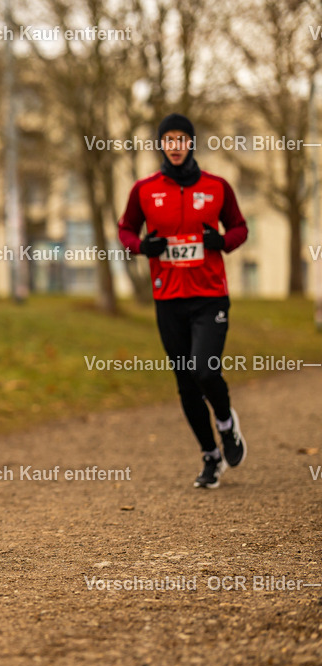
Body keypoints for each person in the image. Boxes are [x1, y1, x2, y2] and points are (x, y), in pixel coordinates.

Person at [118, 113, 249, 489]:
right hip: (168, 299)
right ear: (162, 145)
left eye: (182, 139)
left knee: (205, 370)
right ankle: (210, 456)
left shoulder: (217, 187)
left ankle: (226, 425)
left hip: (210, 297)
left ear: (191, 143)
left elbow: (239, 227)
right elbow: (125, 228)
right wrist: (142, 247)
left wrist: (222, 241)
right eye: (168, 139)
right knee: (186, 383)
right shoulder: (144, 190)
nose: (175, 146)